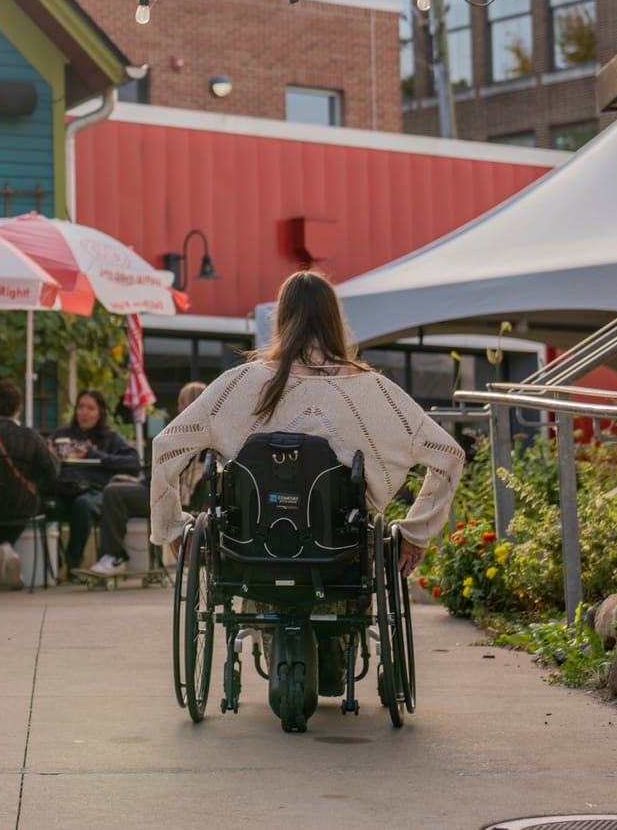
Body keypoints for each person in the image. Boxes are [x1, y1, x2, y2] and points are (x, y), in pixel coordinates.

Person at [149, 270, 465, 694]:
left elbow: (165, 448)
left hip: (253, 552)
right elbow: (449, 455)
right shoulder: (371, 389)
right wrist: (416, 533)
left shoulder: (238, 385)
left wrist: (172, 526)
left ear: (280, 319)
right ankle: (335, 652)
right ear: (336, 320)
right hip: (338, 555)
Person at [89, 381, 206, 574]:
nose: (178, 407)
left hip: (168, 495)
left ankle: (114, 556)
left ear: (190, 404)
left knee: (113, 492)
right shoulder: (199, 432)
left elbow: (168, 473)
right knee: (116, 482)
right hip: (163, 487)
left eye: (181, 402)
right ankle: (117, 553)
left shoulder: (188, 434)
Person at [0, 379, 58, 587]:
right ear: (19, 407)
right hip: (21, 505)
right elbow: (52, 472)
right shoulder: (29, 437)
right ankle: (7, 550)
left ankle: (5, 549)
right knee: (31, 501)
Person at [50, 388, 141, 570]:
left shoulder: (111, 438)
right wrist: (48, 454)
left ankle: (73, 564)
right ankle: (51, 564)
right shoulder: (63, 436)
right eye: (81, 407)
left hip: (96, 493)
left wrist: (95, 455)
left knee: (82, 505)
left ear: (100, 412)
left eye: (90, 408)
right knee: (49, 505)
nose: (84, 412)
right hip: (64, 490)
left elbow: (133, 462)